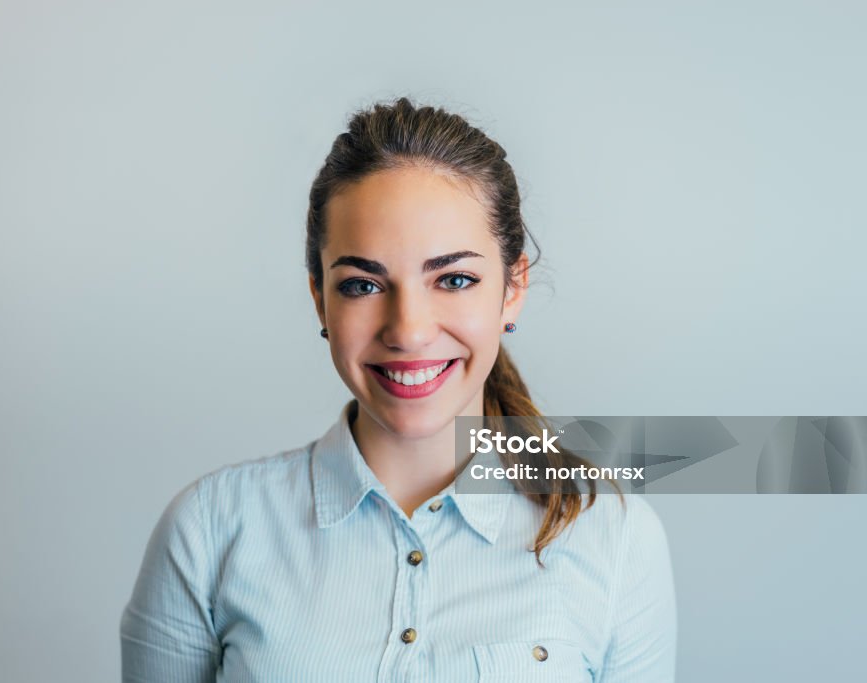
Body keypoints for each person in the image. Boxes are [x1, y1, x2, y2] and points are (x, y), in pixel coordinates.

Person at [120, 96, 677, 682]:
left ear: (512, 289)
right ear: (321, 300)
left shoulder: (611, 536)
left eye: (454, 280)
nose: (408, 331)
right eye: (363, 285)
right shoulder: (210, 529)